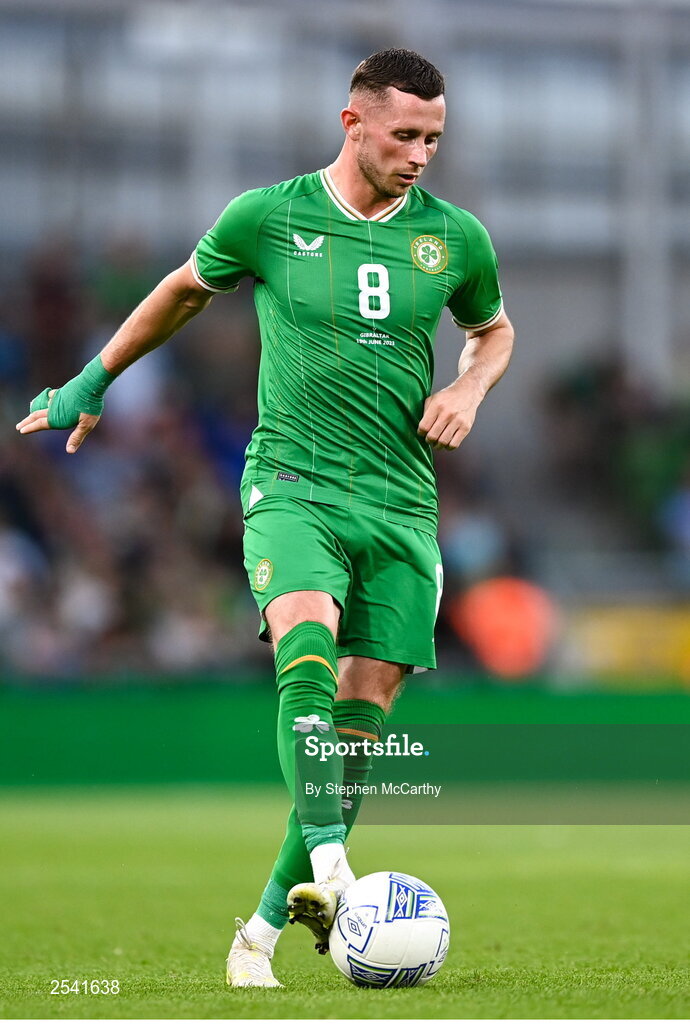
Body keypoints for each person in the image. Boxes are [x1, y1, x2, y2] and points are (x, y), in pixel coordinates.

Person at [17, 48, 514, 988]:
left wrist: (472, 386)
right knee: (305, 653)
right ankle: (335, 871)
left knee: (362, 726)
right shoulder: (269, 215)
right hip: (294, 483)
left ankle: (260, 931)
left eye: (434, 140)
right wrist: (92, 380)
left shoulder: (457, 238)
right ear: (352, 123)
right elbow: (180, 292)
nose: (419, 155)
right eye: (404, 135)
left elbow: (494, 329)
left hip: (403, 502)